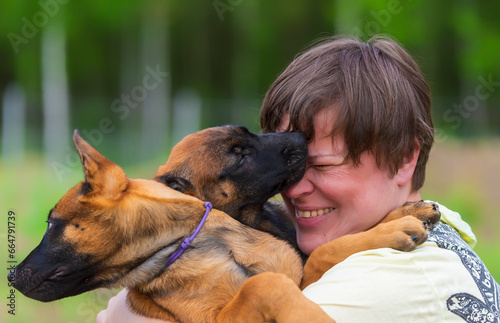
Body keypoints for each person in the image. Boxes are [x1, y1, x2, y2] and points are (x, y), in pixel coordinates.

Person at [97, 35, 500, 322]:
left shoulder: (373, 290)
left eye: (321, 165)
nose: (292, 187)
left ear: (405, 159)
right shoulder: (433, 232)